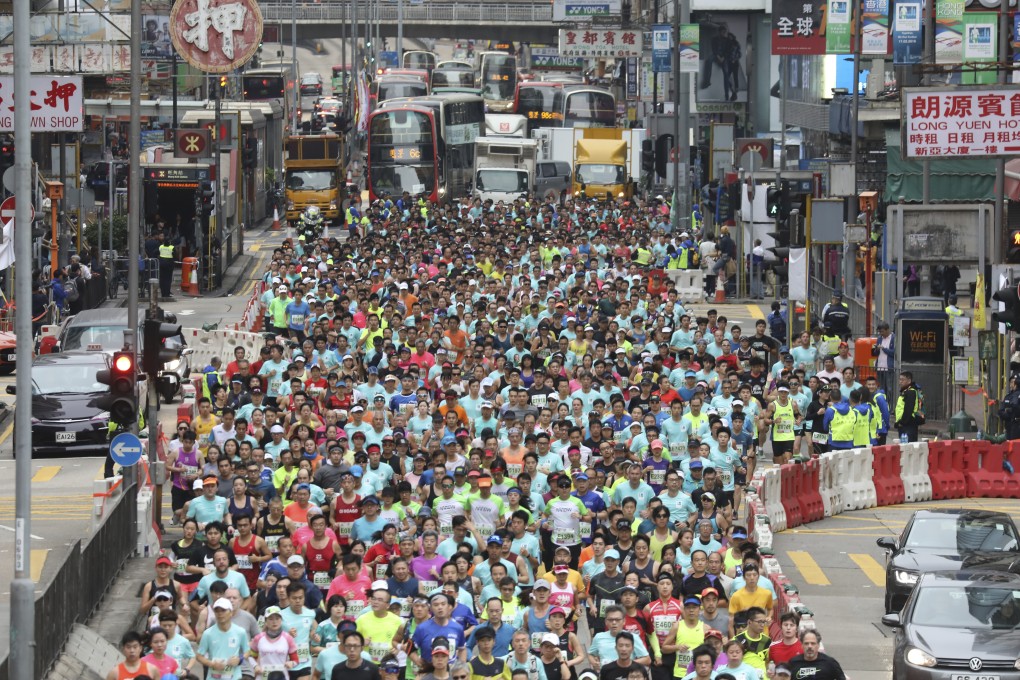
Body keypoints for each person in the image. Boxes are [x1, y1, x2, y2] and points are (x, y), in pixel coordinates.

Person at [894, 371, 923, 443]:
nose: (900, 382)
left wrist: (901, 422)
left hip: (908, 426)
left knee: (908, 449)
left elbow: (908, 409)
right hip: (906, 425)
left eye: (902, 380)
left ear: (909, 381)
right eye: (899, 379)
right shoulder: (906, 391)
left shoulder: (910, 392)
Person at [158, 231, 175, 298]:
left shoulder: (161, 246)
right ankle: (167, 293)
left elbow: (155, 252)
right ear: (170, 241)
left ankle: (163, 293)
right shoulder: (172, 247)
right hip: (169, 265)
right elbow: (175, 256)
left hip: (162, 264)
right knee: (168, 280)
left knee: (162, 279)